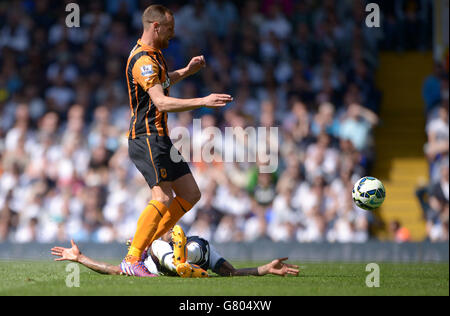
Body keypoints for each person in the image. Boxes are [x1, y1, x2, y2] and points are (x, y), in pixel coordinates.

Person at [122, 4, 233, 276]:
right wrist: (203, 101)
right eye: (170, 29)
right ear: (155, 26)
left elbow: (162, 83)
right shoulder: (143, 60)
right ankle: (133, 258)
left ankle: (147, 243)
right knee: (160, 198)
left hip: (160, 138)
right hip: (146, 136)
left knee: (191, 193)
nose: (173, 34)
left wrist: (185, 71)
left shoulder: (155, 56)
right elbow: (160, 101)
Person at [50, 225, 300, 278]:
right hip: (191, 254)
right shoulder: (146, 261)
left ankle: (182, 260)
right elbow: (232, 274)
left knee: (181, 248)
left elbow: (115, 271)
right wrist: (80, 258)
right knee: (161, 247)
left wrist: (263, 269)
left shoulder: (149, 256)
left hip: (196, 250)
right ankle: (182, 262)